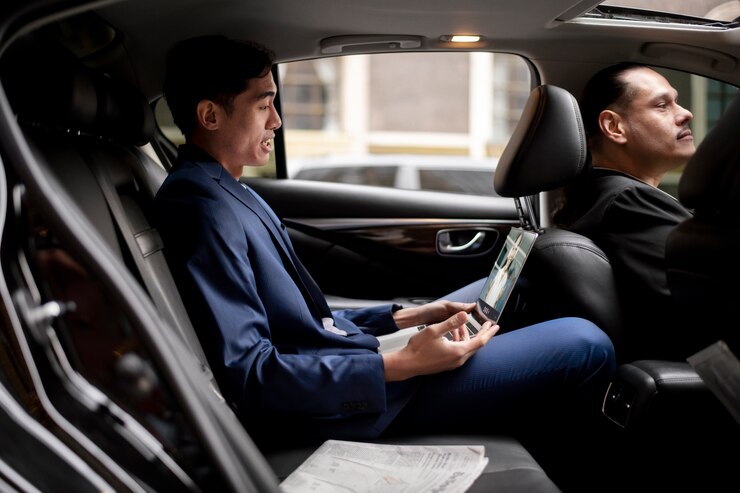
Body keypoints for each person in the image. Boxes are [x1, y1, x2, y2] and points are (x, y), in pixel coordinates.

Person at [153, 35, 616, 467]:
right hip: (338, 404)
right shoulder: (199, 207)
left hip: (338, 359)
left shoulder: (225, 187)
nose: (277, 120)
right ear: (211, 116)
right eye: (264, 104)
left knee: (509, 291)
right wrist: (402, 363)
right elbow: (252, 374)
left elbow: (301, 321)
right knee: (584, 342)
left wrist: (409, 317)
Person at [553, 62, 697, 361]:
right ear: (614, 127)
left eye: (677, 101)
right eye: (662, 105)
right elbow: (703, 308)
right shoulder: (630, 201)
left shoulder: (595, 196)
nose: (685, 113)